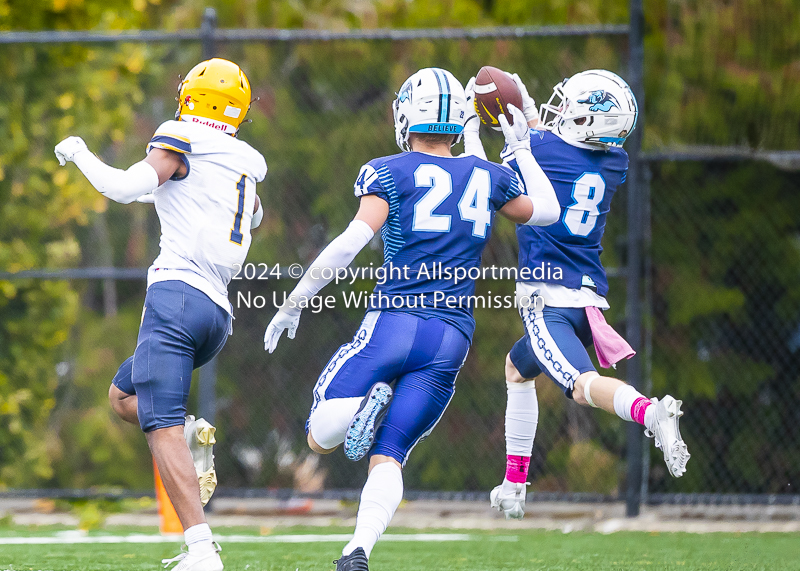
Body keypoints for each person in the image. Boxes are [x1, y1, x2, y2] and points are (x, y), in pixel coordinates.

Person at [264, 67, 560, 570]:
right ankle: (357, 550)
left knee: (320, 435)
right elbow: (549, 212)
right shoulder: (487, 175)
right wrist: (523, 149)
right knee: (392, 451)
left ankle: (363, 407)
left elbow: (351, 243)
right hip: (451, 336)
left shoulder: (389, 171)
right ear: (456, 120)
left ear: (407, 116)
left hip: (395, 320)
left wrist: (295, 300)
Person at [54, 58, 267, 571]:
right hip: (215, 313)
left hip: (176, 295)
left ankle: (201, 550)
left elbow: (124, 186)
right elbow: (253, 215)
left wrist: (80, 152)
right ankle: (193, 434)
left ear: (190, 97)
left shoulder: (180, 137)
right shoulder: (243, 161)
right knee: (123, 397)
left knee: (159, 426)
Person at [487, 70, 690, 520]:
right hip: (586, 302)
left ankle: (649, 413)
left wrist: (495, 134)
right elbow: (555, 145)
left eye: (570, 106)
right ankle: (515, 484)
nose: (559, 110)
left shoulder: (540, 150)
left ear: (586, 120)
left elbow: (504, 184)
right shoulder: (615, 162)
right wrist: (531, 132)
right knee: (517, 368)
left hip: (547, 299)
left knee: (580, 388)